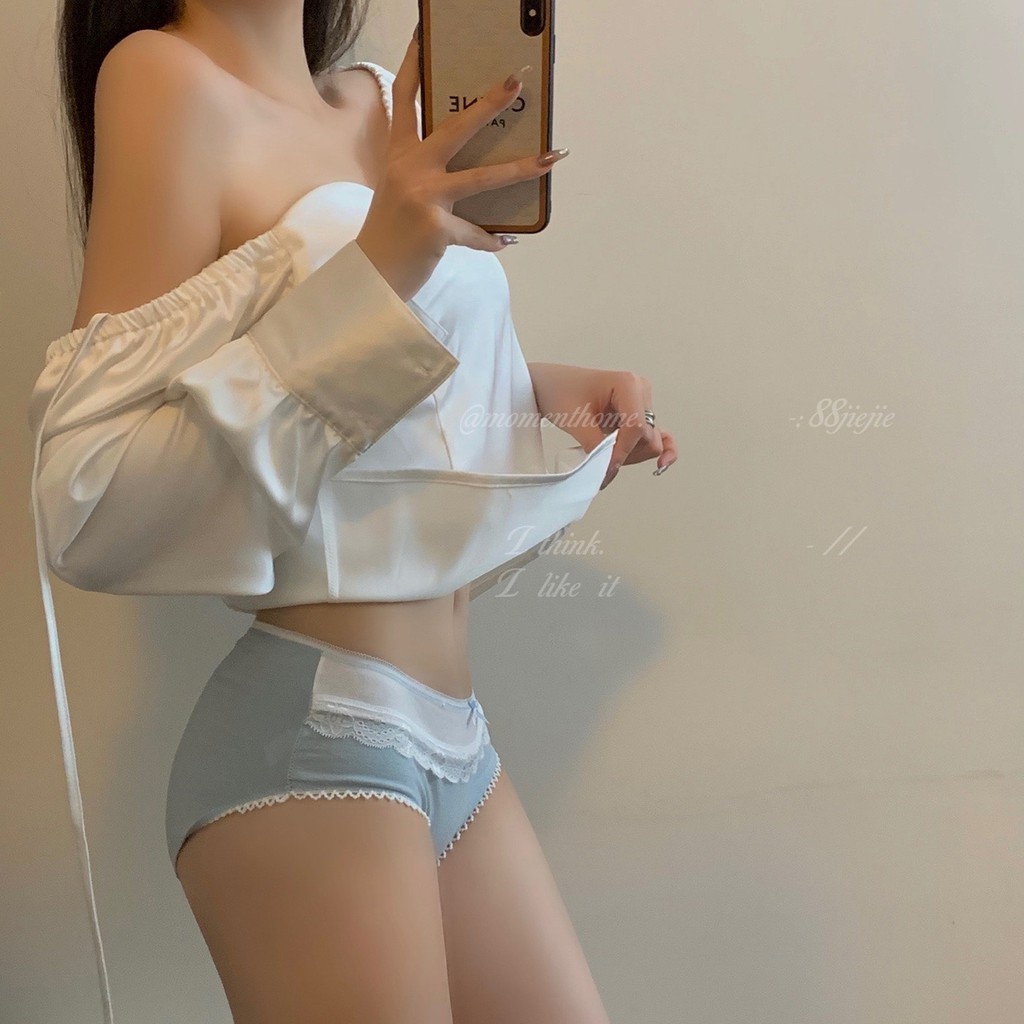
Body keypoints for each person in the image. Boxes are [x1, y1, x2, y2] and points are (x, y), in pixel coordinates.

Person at [27, 2, 676, 1022]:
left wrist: (550, 405)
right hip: (315, 733)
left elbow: (395, 410)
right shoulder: (162, 78)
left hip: (455, 732)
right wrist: (386, 258)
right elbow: (90, 489)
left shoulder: (382, 99)